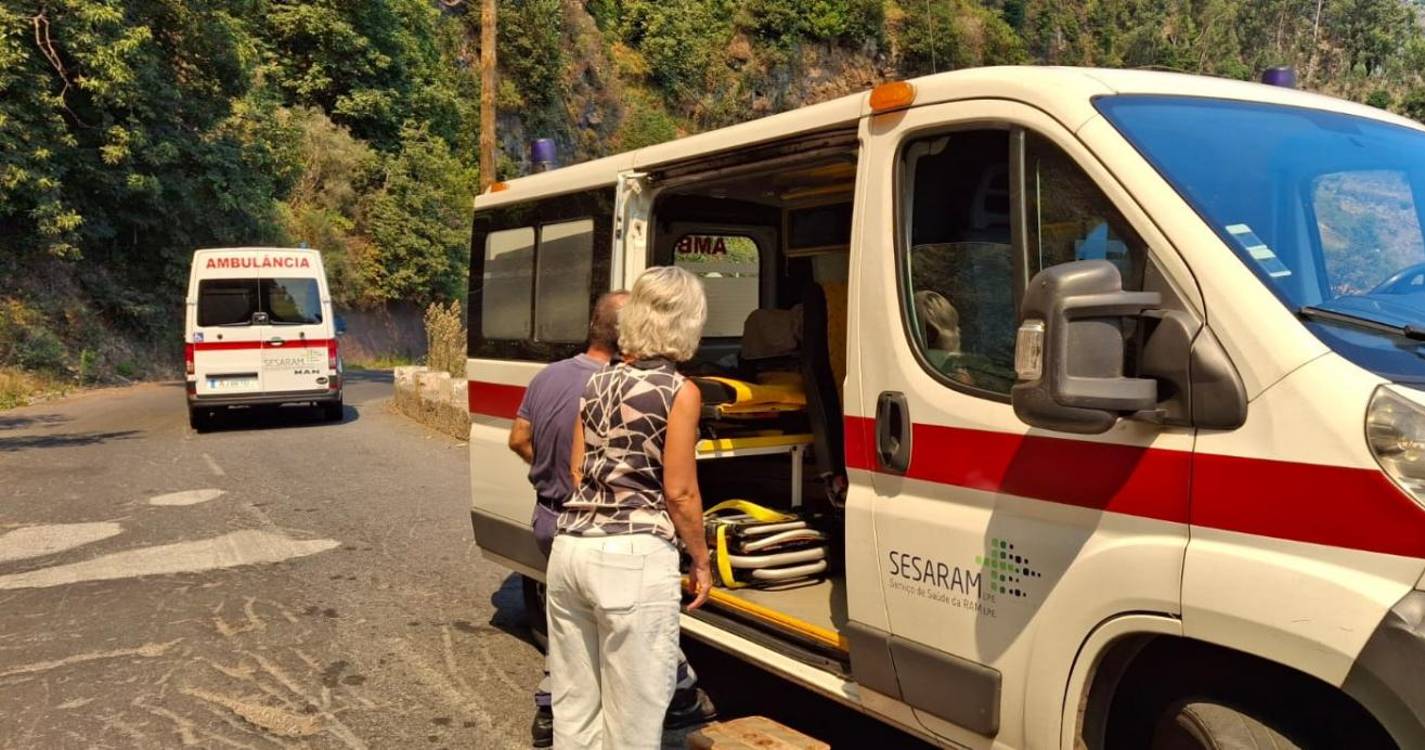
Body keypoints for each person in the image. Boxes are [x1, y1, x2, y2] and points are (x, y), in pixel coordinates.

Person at [507, 289, 714, 749]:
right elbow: (679, 492)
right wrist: (700, 559)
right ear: (686, 324)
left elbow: (578, 471)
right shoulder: (680, 391)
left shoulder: (597, 382)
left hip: (571, 549)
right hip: (632, 559)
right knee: (633, 720)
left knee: (575, 706)